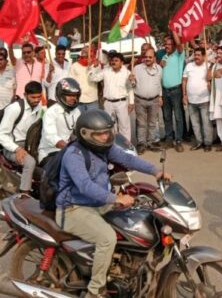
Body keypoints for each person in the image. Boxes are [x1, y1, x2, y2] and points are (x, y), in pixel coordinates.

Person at [55, 109, 171, 298]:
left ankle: (123, 269)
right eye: (99, 134)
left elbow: (127, 159)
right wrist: (116, 198)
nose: (105, 137)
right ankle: (95, 290)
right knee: (107, 238)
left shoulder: (104, 148)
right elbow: (85, 186)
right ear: (85, 134)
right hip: (73, 208)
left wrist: (155, 171)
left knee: (136, 220)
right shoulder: (73, 154)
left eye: (107, 132)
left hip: (97, 203)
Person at [0, 81, 44, 193]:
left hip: (30, 145)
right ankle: (24, 195)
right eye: (33, 97)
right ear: (25, 95)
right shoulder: (15, 108)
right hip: (12, 147)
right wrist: (17, 149)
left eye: (39, 97)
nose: (36, 100)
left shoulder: (39, 109)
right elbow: (1, 134)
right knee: (30, 162)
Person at [88, 52, 134, 142]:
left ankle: (126, 146)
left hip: (122, 103)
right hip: (108, 103)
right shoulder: (106, 71)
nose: (113, 62)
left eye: (116, 61)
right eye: (112, 60)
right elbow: (93, 78)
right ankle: (112, 145)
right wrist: (92, 67)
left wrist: (131, 102)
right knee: (109, 125)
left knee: (124, 126)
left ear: (121, 62)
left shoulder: (127, 73)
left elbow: (130, 88)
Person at [37, 78, 81, 165]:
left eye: (75, 95)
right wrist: (70, 149)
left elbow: (80, 131)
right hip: (49, 153)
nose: (73, 98)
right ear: (61, 95)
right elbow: (51, 137)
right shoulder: (51, 112)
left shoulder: (77, 111)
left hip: (68, 151)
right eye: (69, 95)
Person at [131, 48, 162, 154]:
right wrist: (131, 81)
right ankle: (141, 143)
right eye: (146, 57)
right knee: (141, 123)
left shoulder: (159, 68)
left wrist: (160, 96)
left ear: (154, 58)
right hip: (140, 99)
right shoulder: (137, 68)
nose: (148, 59)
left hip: (154, 100)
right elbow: (133, 85)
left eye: (150, 57)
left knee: (153, 123)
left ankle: (151, 142)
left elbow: (159, 84)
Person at [182, 48, 212, 152]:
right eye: (195, 55)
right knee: (195, 124)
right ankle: (199, 142)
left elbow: (211, 80)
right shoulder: (189, 66)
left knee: (206, 123)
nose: (196, 57)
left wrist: (209, 73)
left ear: (204, 56)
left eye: (199, 55)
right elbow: (184, 80)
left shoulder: (208, 66)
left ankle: (207, 143)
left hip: (204, 99)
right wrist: (184, 95)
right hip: (191, 100)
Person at [161, 32, 185, 152]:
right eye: (166, 44)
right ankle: (169, 140)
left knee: (178, 117)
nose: (167, 46)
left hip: (176, 90)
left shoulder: (178, 55)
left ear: (174, 46)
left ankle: (179, 140)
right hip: (165, 91)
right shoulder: (164, 57)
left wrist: (174, 30)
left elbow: (180, 44)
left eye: (170, 44)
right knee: (166, 116)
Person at [68, 45, 100, 112]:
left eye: (87, 51)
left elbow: (97, 79)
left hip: (92, 100)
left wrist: (92, 67)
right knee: (79, 121)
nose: (84, 52)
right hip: (79, 100)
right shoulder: (75, 65)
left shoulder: (96, 64)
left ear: (91, 52)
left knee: (92, 121)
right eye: (83, 51)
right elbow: (70, 82)